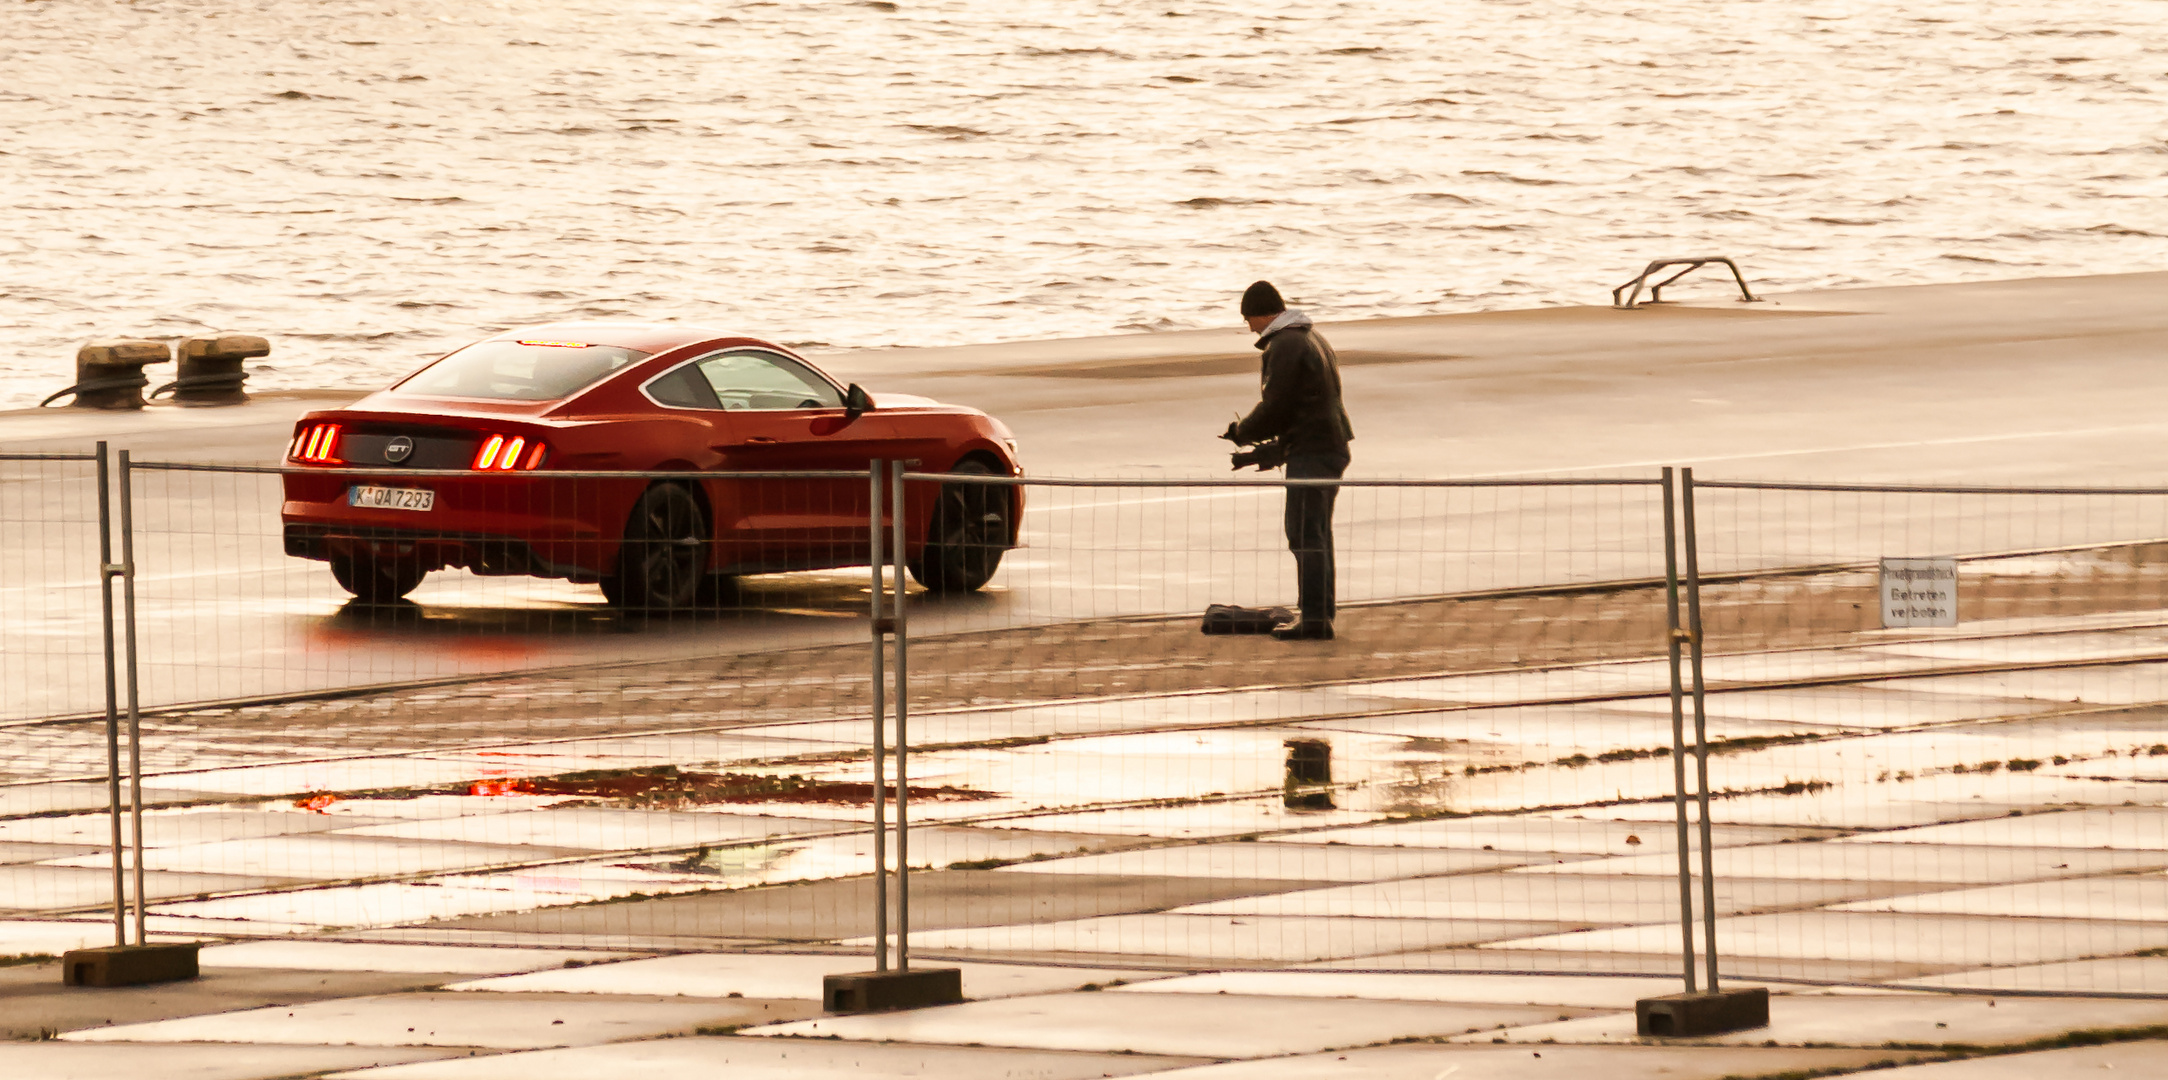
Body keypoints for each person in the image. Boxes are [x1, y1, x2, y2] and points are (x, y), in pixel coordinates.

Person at [1222, 280, 1353, 641]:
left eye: (1248, 318)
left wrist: (1243, 431)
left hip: (1314, 452)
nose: (1249, 327)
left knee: (1304, 534)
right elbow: (1303, 408)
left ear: (1263, 313)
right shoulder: (1311, 337)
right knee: (1316, 533)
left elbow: (1276, 406)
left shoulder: (1286, 344)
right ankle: (1320, 612)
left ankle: (1314, 620)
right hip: (1326, 446)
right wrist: (1264, 454)